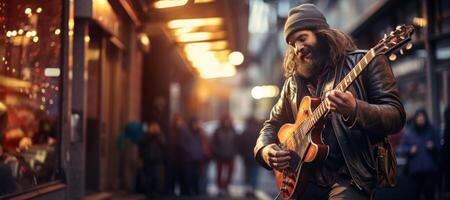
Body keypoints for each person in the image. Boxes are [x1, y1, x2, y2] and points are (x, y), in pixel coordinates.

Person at [253, 3, 406, 200]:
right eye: (292, 44)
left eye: (302, 38)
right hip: (302, 179)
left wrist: (355, 109)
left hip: (350, 177)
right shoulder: (292, 83)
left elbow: (396, 115)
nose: (297, 48)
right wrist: (265, 151)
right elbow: (271, 125)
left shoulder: (367, 61)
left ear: (321, 34)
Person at [400, 109, 440, 200]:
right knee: (415, 195)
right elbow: (402, 149)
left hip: (429, 169)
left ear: (425, 118)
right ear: (416, 119)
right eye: (419, 117)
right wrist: (410, 150)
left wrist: (433, 146)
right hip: (415, 170)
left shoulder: (431, 130)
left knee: (430, 195)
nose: (421, 119)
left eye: (422, 117)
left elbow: (439, 147)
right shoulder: (409, 133)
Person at [137, 121, 165, 198]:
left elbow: (163, 143)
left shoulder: (160, 135)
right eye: (153, 126)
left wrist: (158, 134)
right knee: (148, 177)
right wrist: (149, 134)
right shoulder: (145, 134)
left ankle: (155, 192)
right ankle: (148, 192)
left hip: (156, 159)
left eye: (156, 127)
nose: (154, 128)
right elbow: (141, 142)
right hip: (147, 159)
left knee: (156, 177)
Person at [211, 114, 237, 196]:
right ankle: (220, 188)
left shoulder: (233, 130)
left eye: (228, 120)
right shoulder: (217, 130)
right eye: (225, 120)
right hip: (220, 155)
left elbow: (237, 143)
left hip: (230, 155)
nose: (227, 122)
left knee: (231, 171)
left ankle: (226, 186)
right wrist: (216, 151)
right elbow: (213, 143)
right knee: (219, 173)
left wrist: (234, 152)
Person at [238, 117, 261, 197]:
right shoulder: (259, 132)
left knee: (247, 173)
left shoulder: (245, 131)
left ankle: (247, 189)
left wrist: (242, 154)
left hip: (246, 157)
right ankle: (253, 189)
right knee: (255, 173)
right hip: (256, 157)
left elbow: (240, 144)